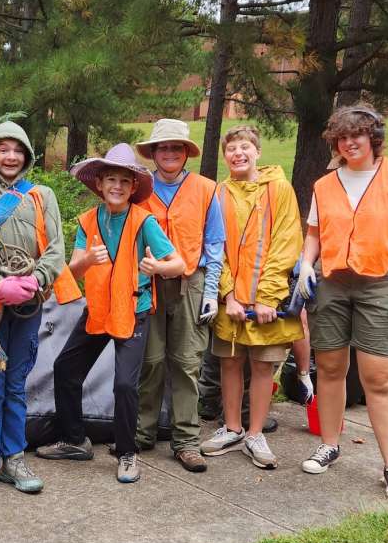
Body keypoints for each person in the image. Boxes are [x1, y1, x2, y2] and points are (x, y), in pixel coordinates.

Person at [295, 105, 388, 502]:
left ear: (373, 138)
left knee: (379, 377)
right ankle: (329, 443)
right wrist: (305, 266)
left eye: (358, 135)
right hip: (332, 281)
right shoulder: (325, 185)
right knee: (330, 367)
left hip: (377, 282)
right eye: (342, 137)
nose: (350, 143)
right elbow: (315, 232)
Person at [36, 144, 185, 484]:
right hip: (99, 311)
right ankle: (74, 440)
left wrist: (157, 266)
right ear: (99, 185)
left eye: (123, 181)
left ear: (133, 188)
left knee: (123, 385)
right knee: (65, 368)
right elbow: (72, 271)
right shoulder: (88, 221)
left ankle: (127, 452)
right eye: (110, 180)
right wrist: (88, 260)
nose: (117, 187)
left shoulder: (143, 222)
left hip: (134, 311)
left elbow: (179, 263)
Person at [0, 122, 78, 498]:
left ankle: (14, 459)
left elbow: (56, 248)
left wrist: (35, 281)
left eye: (17, 150)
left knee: (17, 384)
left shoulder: (42, 196)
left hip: (28, 306)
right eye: (3, 149)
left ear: (26, 155)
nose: (10, 157)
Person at [198, 126, 302, 469]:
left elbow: (286, 243)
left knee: (262, 366)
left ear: (257, 151)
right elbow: (216, 246)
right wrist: (227, 294)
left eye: (245, 147)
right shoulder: (219, 193)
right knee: (229, 362)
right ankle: (232, 428)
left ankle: (255, 433)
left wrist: (268, 297)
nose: (238, 153)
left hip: (266, 305)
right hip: (232, 302)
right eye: (231, 149)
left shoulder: (279, 189)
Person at [132, 119, 223, 473]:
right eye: (162, 147)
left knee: (187, 363)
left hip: (192, 281)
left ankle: (186, 441)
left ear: (185, 153)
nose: (169, 153)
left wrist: (211, 291)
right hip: (148, 283)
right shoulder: (141, 189)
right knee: (151, 361)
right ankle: (142, 433)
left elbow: (215, 243)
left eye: (176, 147)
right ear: (153, 153)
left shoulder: (206, 189)